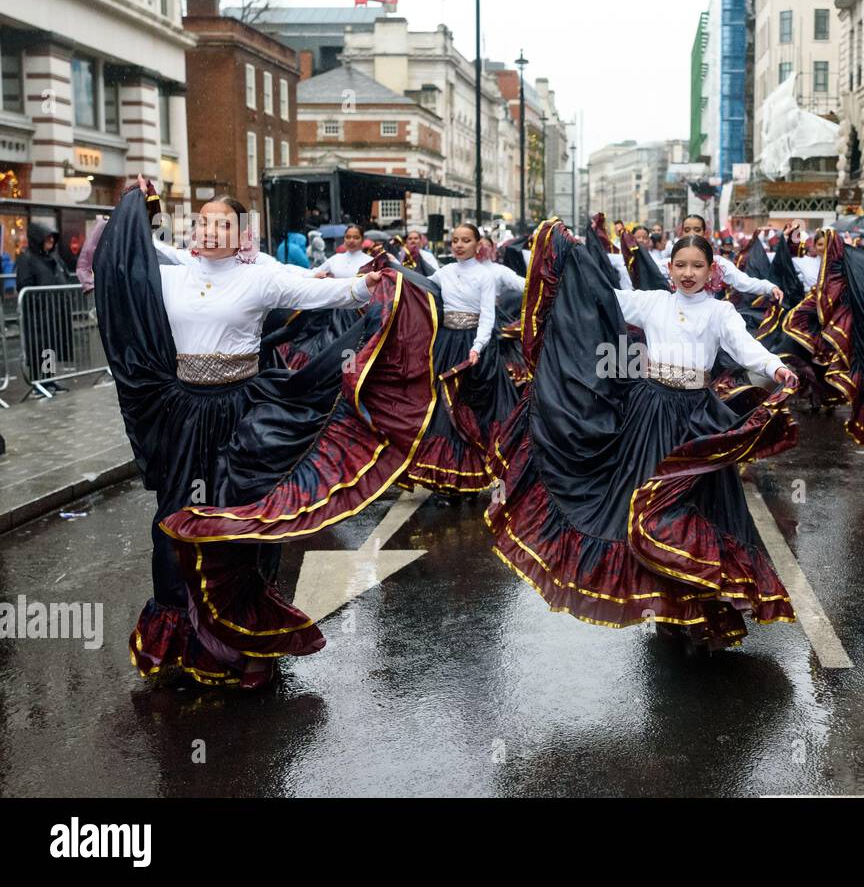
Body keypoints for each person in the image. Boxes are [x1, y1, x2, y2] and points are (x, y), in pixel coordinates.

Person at [96, 182, 438, 689]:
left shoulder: (261, 277)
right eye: (204, 220)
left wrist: (376, 282)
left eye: (223, 223)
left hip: (243, 412)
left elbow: (328, 292)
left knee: (242, 524)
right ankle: (186, 636)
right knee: (174, 521)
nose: (211, 229)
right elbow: (122, 257)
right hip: (185, 416)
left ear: (240, 235)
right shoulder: (171, 273)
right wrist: (136, 204)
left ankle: (242, 642)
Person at [486, 223, 800, 651]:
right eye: (681, 265)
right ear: (669, 268)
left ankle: (695, 607)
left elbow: (747, 349)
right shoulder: (651, 302)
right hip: (649, 413)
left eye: (698, 266)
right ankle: (663, 604)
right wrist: (569, 256)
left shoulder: (721, 312)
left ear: (713, 271)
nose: (688, 273)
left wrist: (776, 368)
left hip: (695, 421)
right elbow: (598, 299)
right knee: (641, 510)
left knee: (692, 510)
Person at [405, 223, 517, 500]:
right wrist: (390, 271)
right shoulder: (444, 272)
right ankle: (451, 479)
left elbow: (487, 316)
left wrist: (478, 346)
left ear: (478, 244)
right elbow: (419, 288)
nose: (458, 245)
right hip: (447, 343)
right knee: (443, 408)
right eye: (455, 240)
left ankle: (478, 473)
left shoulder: (485, 276)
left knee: (472, 409)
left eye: (465, 240)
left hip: (474, 348)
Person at [16, 221, 74, 394]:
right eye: (47, 238)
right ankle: (38, 383)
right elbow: (24, 285)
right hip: (38, 315)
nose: (50, 241)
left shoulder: (52, 258)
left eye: (51, 238)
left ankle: (49, 380)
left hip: (53, 314)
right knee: (38, 348)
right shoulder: (27, 260)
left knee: (50, 347)